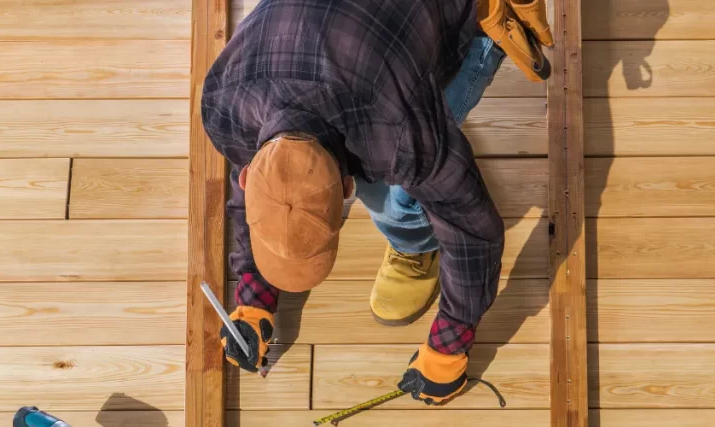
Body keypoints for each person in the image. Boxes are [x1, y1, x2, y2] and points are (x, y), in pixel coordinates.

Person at [200, 0, 553, 405]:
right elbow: (264, 187)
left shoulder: (395, 130)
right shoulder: (224, 105)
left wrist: (450, 343)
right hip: (353, 40)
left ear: (348, 186)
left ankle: (414, 246)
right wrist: (251, 297)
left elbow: (473, 227)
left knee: (394, 199)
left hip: (459, 13)